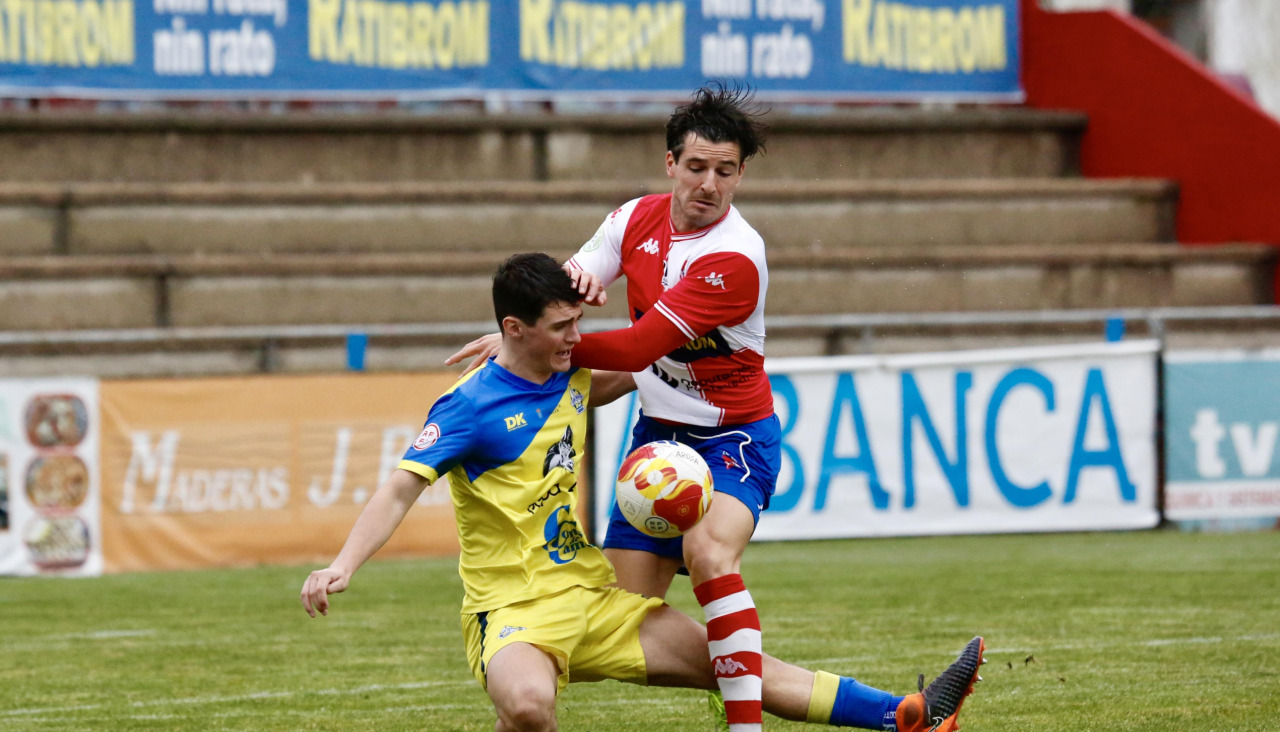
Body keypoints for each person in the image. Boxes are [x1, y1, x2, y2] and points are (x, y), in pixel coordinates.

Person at [308, 253, 984, 732]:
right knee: (527, 706)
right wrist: (342, 564)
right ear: (516, 330)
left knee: (739, 666)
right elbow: (399, 487)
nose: (579, 337)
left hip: (596, 601)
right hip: (511, 611)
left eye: (579, 321)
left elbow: (654, 361)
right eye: (561, 326)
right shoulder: (467, 406)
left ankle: (907, 716)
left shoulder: (568, 373)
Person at [447, 83, 783, 730]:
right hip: (656, 441)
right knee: (618, 616)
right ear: (670, 164)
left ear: (741, 174)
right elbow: (570, 287)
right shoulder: (633, 220)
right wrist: (528, 324)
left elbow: (635, 348)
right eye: (695, 167)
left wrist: (535, 341)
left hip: (732, 437)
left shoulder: (735, 258)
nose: (708, 184)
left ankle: (746, 719)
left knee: (711, 555)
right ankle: (532, 707)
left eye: (725, 170)